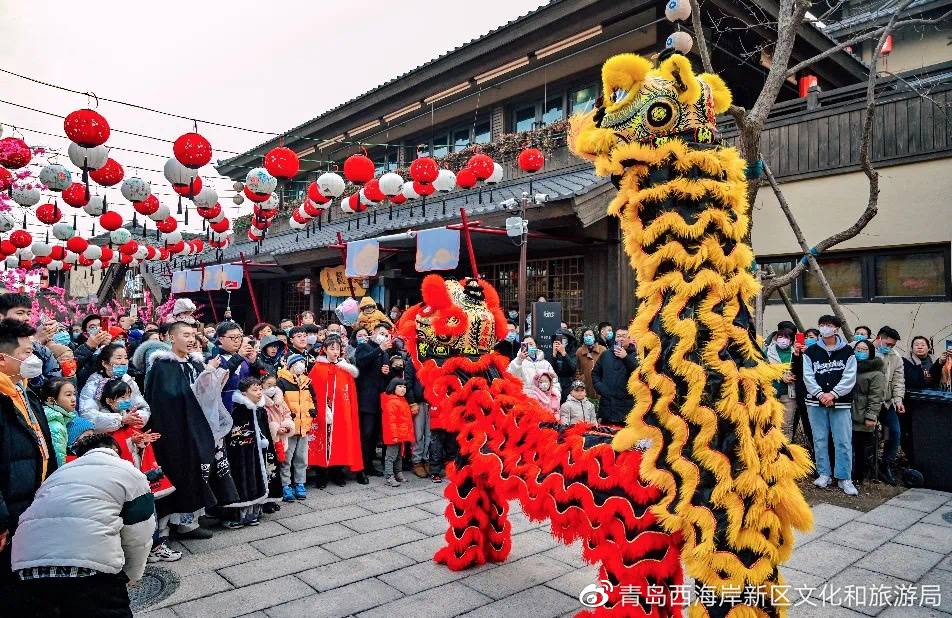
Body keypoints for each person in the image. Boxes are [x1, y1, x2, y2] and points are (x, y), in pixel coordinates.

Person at [10, 433, 155, 618]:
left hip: (27, 568)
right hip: (90, 572)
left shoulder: (57, 475)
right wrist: (131, 574)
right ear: (115, 450)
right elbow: (139, 533)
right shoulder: (129, 472)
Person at [144, 322, 236, 553]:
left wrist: (212, 375)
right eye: (185, 335)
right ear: (171, 338)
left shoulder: (196, 361)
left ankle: (189, 523)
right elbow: (167, 397)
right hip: (172, 429)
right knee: (172, 474)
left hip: (197, 426)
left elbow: (205, 392)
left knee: (195, 472)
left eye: (193, 335)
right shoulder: (162, 365)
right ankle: (163, 531)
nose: (191, 339)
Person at [0, 319, 57, 585]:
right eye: (25, 353)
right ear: (3, 358)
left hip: (33, 500)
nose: (32, 358)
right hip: (10, 509)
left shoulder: (24, 391)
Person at [803, 315, 857, 494]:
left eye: (829, 325)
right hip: (815, 402)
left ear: (837, 329)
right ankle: (824, 473)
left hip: (840, 402)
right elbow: (808, 376)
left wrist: (833, 394)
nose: (825, 328)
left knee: (843, 440)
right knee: (819, 439)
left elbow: (850, 377)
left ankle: (844, 477)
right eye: (822, 325)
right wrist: (820, 394)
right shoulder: (810, 352)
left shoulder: (847, 352)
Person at [308, 336, 364, 487]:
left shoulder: (345, 369)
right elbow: (313, 391)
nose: (335, 351)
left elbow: (349, 392)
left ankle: (336, 472)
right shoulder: (317, 368)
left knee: (340, 440)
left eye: (337, 348)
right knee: (321, 440)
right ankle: (321, 474)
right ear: (324, 349)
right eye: (331, 348)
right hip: (323, 411)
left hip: (341, 411)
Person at [221, 377, 275, 528]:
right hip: (243, 452)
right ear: (244, 393)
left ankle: (253, 513)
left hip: (258, 451)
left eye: (260, 389)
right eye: (254, 390)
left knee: (257, 478)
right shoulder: (239, 410)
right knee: (243, 479)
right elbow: (235, 435)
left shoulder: (260, 409)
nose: (259, 393)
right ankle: (238, 515)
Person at [78, 343, 150, 434]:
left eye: (126, 358)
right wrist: (120, 419)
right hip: (104, 435)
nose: (124, 362)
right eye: (119, 358)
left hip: (128, 433)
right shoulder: (93, 384)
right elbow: (87, 415)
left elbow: (142, 407)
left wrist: (136, 418)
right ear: (105, 363)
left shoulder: (128, 380)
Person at [355, 324, 395, 476]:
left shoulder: (385, 352)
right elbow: (362, 362)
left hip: (380, 398)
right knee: (366, 433)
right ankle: (361, 468)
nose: (384, 337)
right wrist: (380, 349)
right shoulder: (364, 347)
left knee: (374, 435)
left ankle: (369, 464)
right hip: (366, 398)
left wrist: (388, 372)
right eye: (381, 334)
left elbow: (386, 375)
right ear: (373, 333)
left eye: (386, 335)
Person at [276, 353, 316, 501]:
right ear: (291, 365)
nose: (301, 365)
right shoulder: (282, 381)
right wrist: (287, 417)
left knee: (302, 458)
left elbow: (312, 398)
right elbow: (279, 403)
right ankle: (285, 485)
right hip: (290, 428)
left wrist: (312, 410)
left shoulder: (306, 381)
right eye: (298, 362)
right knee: (286, 458)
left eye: (302, 362)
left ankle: (300, 483)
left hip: (304, 426)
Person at [0, 293, 61, 388]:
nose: (27, 318)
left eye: (28, 313)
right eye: (20, 313)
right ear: (1, 316)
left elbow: (53, 382)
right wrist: (36, 341)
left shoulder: (42, 349)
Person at [851, 340, 884, 492]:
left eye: (864, 349)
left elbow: (876, 397)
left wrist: (871, 416)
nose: (861, 352)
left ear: (870, 352)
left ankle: (860, 475)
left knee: (861, 447)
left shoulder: (876, 372)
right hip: (847, 412)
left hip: (862, 414)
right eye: (858, 349)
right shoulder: (850, 367)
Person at [874, 326, 905, 485]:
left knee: (894, 432)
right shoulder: (862, 349)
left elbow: (899, 380)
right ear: (878, 338)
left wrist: (898, 399)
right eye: (887, 344)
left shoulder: (895, 357)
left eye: (893, 345)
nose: (889, 347)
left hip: (886, 402)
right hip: (865, 403)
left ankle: (886, 466)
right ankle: (865, 466)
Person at [210, 322, 264, 414]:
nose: (236, 340)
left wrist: (254, 363)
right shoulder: (214, 360)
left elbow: (257, 381)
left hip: (247, 407)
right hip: (225, 406)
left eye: (239, 337)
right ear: (221, 339)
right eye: (232, 337)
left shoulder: (246, 359)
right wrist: (239, 357)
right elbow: (221, 377)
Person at [591, 328, 638, 425]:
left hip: (626, 407)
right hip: (607, 406)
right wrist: (601, 388)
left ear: (629, 339)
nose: (620, 339)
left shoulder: (636, 355)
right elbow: (595, 373)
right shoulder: (606, 354)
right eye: (618, 336)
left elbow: (638, 374)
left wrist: (625, 358)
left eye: (624, 336)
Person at [765, 322, 797, 439]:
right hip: (772, 394)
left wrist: (794, 376)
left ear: (791, 341)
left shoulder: (796, 353)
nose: (783, 340)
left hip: (789, 395)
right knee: (771, 425)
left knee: (787, 426)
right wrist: (780, 376)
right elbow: (763, 370)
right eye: (780, 337)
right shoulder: (768, 352)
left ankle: (786, 452)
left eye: (786, 338)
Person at [380, 378, 413, 487]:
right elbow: (391, 421)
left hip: (400, 435)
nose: (403, 389)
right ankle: (389, 476)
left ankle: (398, 472)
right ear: (393, 387)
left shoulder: (401, 400)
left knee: (399, 455)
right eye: (400, 386)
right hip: (394, 435)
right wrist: (394, 435)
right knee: (391, 456)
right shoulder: (392, 402)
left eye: (404, 386)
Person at [42, 378, 79, 467]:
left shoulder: (60, 418)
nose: (73, 399)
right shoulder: (55, 426)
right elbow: (59, 461)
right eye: (68, 395)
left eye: (74, 394)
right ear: (51, 400)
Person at [576, 328, 605, 404]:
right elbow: (576, 367)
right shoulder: (579, 351)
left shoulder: (602, 350)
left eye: (590, 335)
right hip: (585, 384)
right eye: (586, 335)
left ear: (594, 337)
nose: (588, 337)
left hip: (600, 383)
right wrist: (580, 378)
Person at [551, 327, 578, 403]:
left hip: (568, 386)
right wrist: (554, 355)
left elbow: (573, 368)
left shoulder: (572, 353)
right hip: (554, 386)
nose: (561, 340)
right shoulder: (553, 352)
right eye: (559, 338)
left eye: (564, 338)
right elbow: (548, 369)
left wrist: (564, 354)